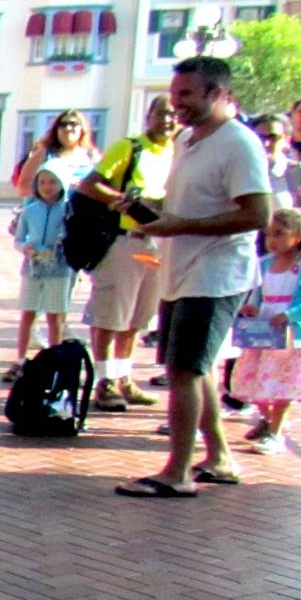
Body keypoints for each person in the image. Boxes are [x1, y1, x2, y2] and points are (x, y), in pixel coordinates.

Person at [116, 56, 271, 499]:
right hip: (181, 269)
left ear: (217, 94)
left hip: (215, 272)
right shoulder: (188, 140)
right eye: (174, 92)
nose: (175, 103)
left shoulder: (239, 143)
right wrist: (149, 208)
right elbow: (185, 203)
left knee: (184, 369)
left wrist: (179, 226)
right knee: (195, 368)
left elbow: (257, 214)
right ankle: (218, 457)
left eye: (186, 94)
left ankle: (177, 471)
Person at [75, 95, 175, 412]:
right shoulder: (130, 147)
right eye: (162, 114)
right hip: (124, 240)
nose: (168, 120)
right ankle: (103, 381)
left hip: (158, 242)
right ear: (149, 116)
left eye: (173, 115)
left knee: (137, 317)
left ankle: (124, 377)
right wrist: (123, 201)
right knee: (111, 314)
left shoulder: (179, 152)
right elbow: (89, 184)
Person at [236, 206, 301, 454]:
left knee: (282, 386)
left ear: (298, 235)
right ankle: (266, 419)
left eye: (280, 233)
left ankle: (276, 432)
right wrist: (251, 307)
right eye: (269, 234)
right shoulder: (264, 263)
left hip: (290, 336)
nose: (272, 240)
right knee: (256, 382)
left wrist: (290, 315)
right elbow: (257, 293)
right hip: (263, 331)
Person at [5, 164, 74, 381]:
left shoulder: (69, 209)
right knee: (28, 313)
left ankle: (55, 357)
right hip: (33, 268)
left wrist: (62, 245)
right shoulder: (30, 209)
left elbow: (74, 236)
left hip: (59, 267)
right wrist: (25, 248)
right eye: (42, 182)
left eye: (53, 182)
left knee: (55, 315)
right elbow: (18, 239)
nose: (47, 187)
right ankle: (21, 358)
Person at [15, 109, 98, 197]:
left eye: (73, 124)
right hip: (52, 209)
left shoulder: (92, 156)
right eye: (63, 125)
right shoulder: (44, 154)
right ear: (56, 130)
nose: (68, 128)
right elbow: (24, 186)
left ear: (82, 129)